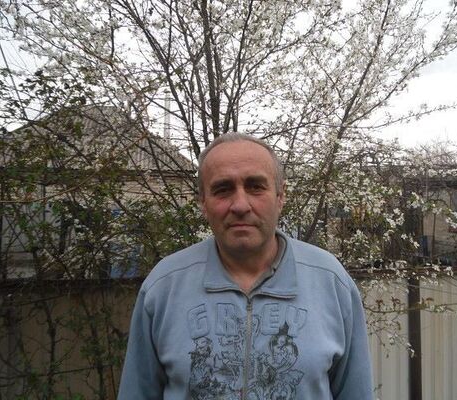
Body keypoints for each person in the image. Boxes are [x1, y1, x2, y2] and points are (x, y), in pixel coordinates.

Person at [118, 133, 373, 399]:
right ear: (203, 202)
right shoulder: (164, 287)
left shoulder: (331, 282)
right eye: (223, 189)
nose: (240, 205)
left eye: (255, 187)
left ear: (281, 196)